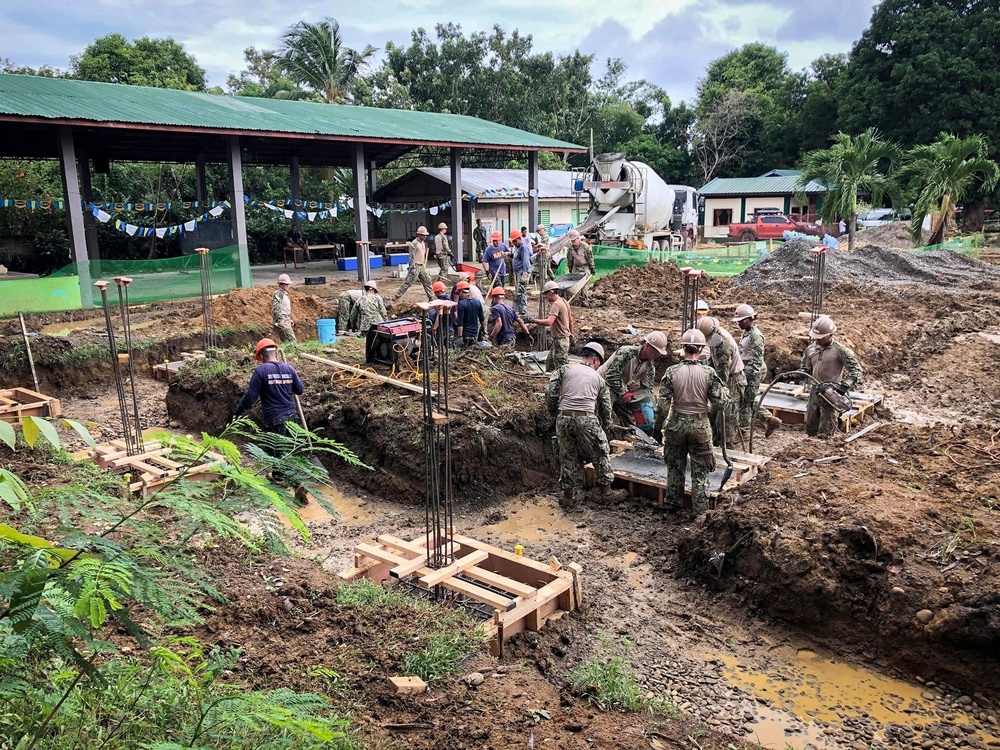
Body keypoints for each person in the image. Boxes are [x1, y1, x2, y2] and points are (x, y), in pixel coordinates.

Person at [652, 329, 727, 513]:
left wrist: (656, 429)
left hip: (676, 425)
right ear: (702, 349)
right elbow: (721, 402)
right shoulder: (708, 372)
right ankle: (700, 512)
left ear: (683, 348)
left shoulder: (672, 372)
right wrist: (707, 410)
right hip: (700, 426)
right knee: (700, 472)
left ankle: (672, 507)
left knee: (675, 468)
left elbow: (662, 406)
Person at [545, 341, 614, 509]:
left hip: (564, 417)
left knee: (567, 456)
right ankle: (606, 492)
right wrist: (606, 425)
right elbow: (605, 406)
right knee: (600, 451)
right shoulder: (598, 378)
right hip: (586, 418)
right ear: (596, 361)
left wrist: (555, 412)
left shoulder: (564, 369)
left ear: (584, 357)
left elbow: (550, 392)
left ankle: (568, 496)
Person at [801, 315, 862, 438]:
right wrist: (790, 376)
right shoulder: (811, 349)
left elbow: (856, 370)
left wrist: (845, 385)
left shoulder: (840, 351)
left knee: (826, 431)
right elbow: (805, 370)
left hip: (830, 394)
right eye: (816, 338)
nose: (817, 341)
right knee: (811, 428)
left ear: (830, 335)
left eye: (821, 338)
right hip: (815, 392)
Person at [235, 338, 304, 436]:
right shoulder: (289, 368)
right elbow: (299, 390)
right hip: (292, 417)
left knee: (277, 450)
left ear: (261, 355)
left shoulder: (261, 371)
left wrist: (238, 411)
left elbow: (250, 397)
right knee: (291, 449)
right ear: (275, 353)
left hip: (275, 420)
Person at [732, 304, 782, 437]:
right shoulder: (747, 332)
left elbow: (757, 361)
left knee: (746, 402)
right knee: (747, 398)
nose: (739, 324)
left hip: (754, 371)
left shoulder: (756, 336)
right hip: (746, 367)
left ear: (750, 319)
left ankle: (744, 430)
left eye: (741, 321)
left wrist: (746, 376)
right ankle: (770, 419)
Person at [598, 331, 669, 424]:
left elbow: (647, 389)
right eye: (656, 351)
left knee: (629, 414)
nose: (657, 355)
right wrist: (625, 393)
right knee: (605, 413)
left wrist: (650, 405)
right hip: (602, 383)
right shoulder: (626, 353)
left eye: (659, 353)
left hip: (619, 386)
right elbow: (611, 376)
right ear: (647, 346)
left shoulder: (649, 365)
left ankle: (628, 434)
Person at [697, 316, 746, 447]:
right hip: (724, 376)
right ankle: (716, 442)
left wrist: (718, 386)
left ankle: (727, 447)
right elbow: (712, 361)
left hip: (733, 380)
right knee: (714, 414)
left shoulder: (723, 343)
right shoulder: (714, 337)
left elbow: (723, 371)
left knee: (727, 418)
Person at [530, 280, 573, 371]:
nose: (545, 297)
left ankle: (562, 384)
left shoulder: (556, 304)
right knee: (549, 364)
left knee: (561, 369)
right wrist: (571, 335)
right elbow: (570, 321)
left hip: (561, 340)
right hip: (561, 340)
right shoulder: (564, 301)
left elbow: (549, 322)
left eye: (546, 294)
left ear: (551, 292)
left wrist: (533, 320)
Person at [393, 226, 434, 302]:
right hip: (415, 265)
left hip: (421, 265)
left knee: (427, 280)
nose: (425, 237)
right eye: (423, 235)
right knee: (408, 282)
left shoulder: (423, 243)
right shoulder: (414, 243)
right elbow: (412, 256)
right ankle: (396, 297)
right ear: (419, 235)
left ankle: (431, 297)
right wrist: (412, 267)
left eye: (425, 235)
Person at [453, 280, 485, 346]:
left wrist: (459, 337)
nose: (458, 295)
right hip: (474, 334)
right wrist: (483, 329)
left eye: (458, 293)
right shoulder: (477, 302)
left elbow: (460, 322)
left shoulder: (461, 304)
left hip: (465, 334)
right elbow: (482, 318)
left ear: (461, 291)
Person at [510, 231, 532, 316]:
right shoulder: (517, 248)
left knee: (521, 292)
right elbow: (516, 256)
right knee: (518, 292)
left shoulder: (523, 248)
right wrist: (510, 255)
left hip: (523, 273)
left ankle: (523, 311)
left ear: (519, 239)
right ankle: (516, 309)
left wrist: (525, 273)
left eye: (515, 241)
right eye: (513, 241)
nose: (514, 243)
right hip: (518, 273)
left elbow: (526, 261)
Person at [271, 273, 296, 342]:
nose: (288, 286)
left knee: (286, 341)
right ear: (281, 284)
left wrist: (288, 320)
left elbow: (284, 309)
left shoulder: (284, 294)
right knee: (291, 341)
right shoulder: (278, 294)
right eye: (286, 284)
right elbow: (276, 308)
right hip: (282, 320)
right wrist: (280, 321)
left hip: (285, 319)